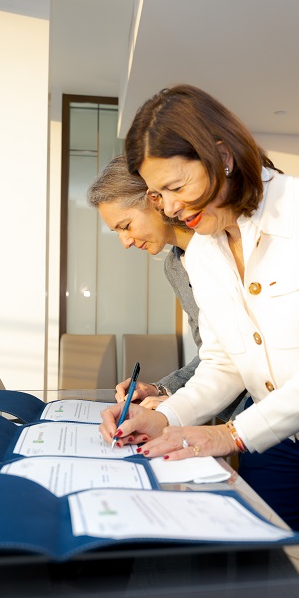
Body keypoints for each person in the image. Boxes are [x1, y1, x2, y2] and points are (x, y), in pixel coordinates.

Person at [99, 84, 299, 598]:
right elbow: (223, 361)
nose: (171, 208)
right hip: (276, 432)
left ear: (221, 156)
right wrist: (167, 417)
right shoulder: (202, 249)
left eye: (176, 187)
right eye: (158, 196)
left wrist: (227, 435)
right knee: (265, 575)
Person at [86, 155, 248, 418]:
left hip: (269, 410)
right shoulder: (174, 267)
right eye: (117, 233)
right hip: (232, 414)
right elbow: (212, 352)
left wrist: (174, 405)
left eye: (125, 226)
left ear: (154, 199)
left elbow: (244, 348)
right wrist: (159, 389)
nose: (125, 242)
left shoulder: (227, 243)